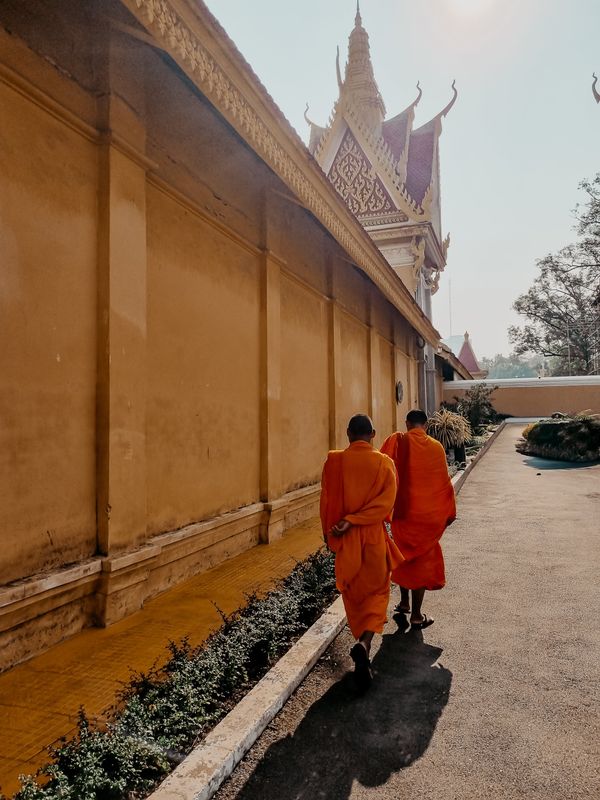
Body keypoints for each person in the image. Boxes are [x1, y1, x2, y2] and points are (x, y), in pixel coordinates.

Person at [320, 413, 403, 689]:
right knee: (378, 594)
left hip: (347, 541)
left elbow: (326, 502)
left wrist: (331, 533)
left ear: (347, 433)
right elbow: (386, 504)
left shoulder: (334, 461)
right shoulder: (384, 463)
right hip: (373, 540)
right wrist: (358, 518)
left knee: (354, 594)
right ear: (373, 434)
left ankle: (362, 644)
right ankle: (365, 643)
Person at [380, 409, 456, 631]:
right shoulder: (436, 447)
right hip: (428, 517)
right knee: (421, 561)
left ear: (407, 423)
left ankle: (404, 602)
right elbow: (444, 484)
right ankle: (415, 614)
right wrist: (448, 512)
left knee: (403, 557)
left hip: (403, 514)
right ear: (427, 425)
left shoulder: (397, 441)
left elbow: (382, 470)